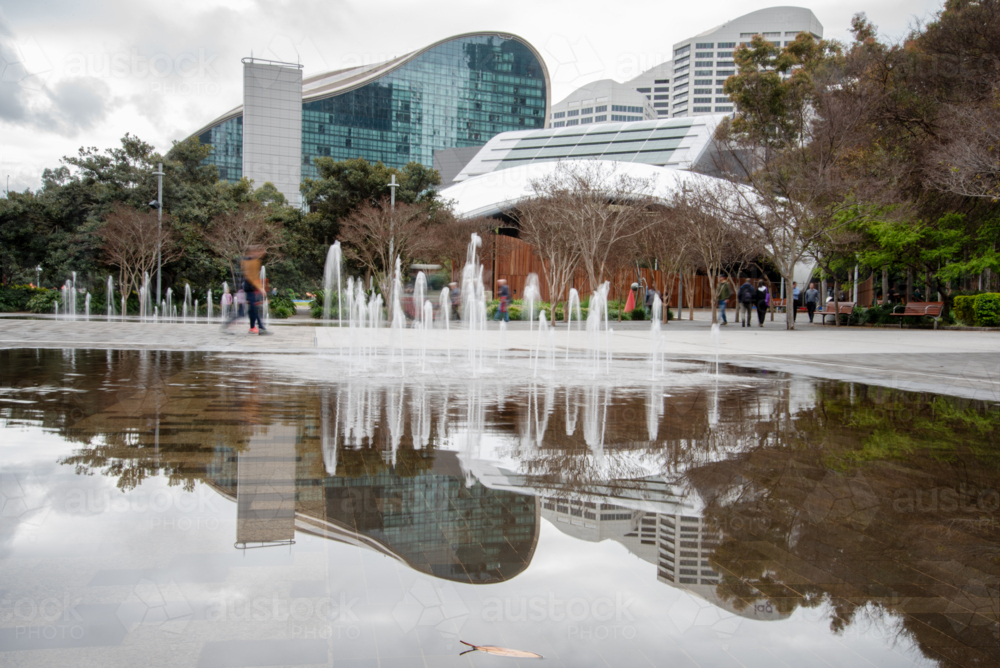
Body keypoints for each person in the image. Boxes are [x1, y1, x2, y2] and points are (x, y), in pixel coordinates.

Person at [241, 246, 272, 336]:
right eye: (260, 252)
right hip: (249, 288)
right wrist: (260, 288)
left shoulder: (250, 260)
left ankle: (253, 327)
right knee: (254, 308)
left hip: (250, 288)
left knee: (253, 309)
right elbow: (252, 277)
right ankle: (260, 328)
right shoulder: (252, 261)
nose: (262, 254)